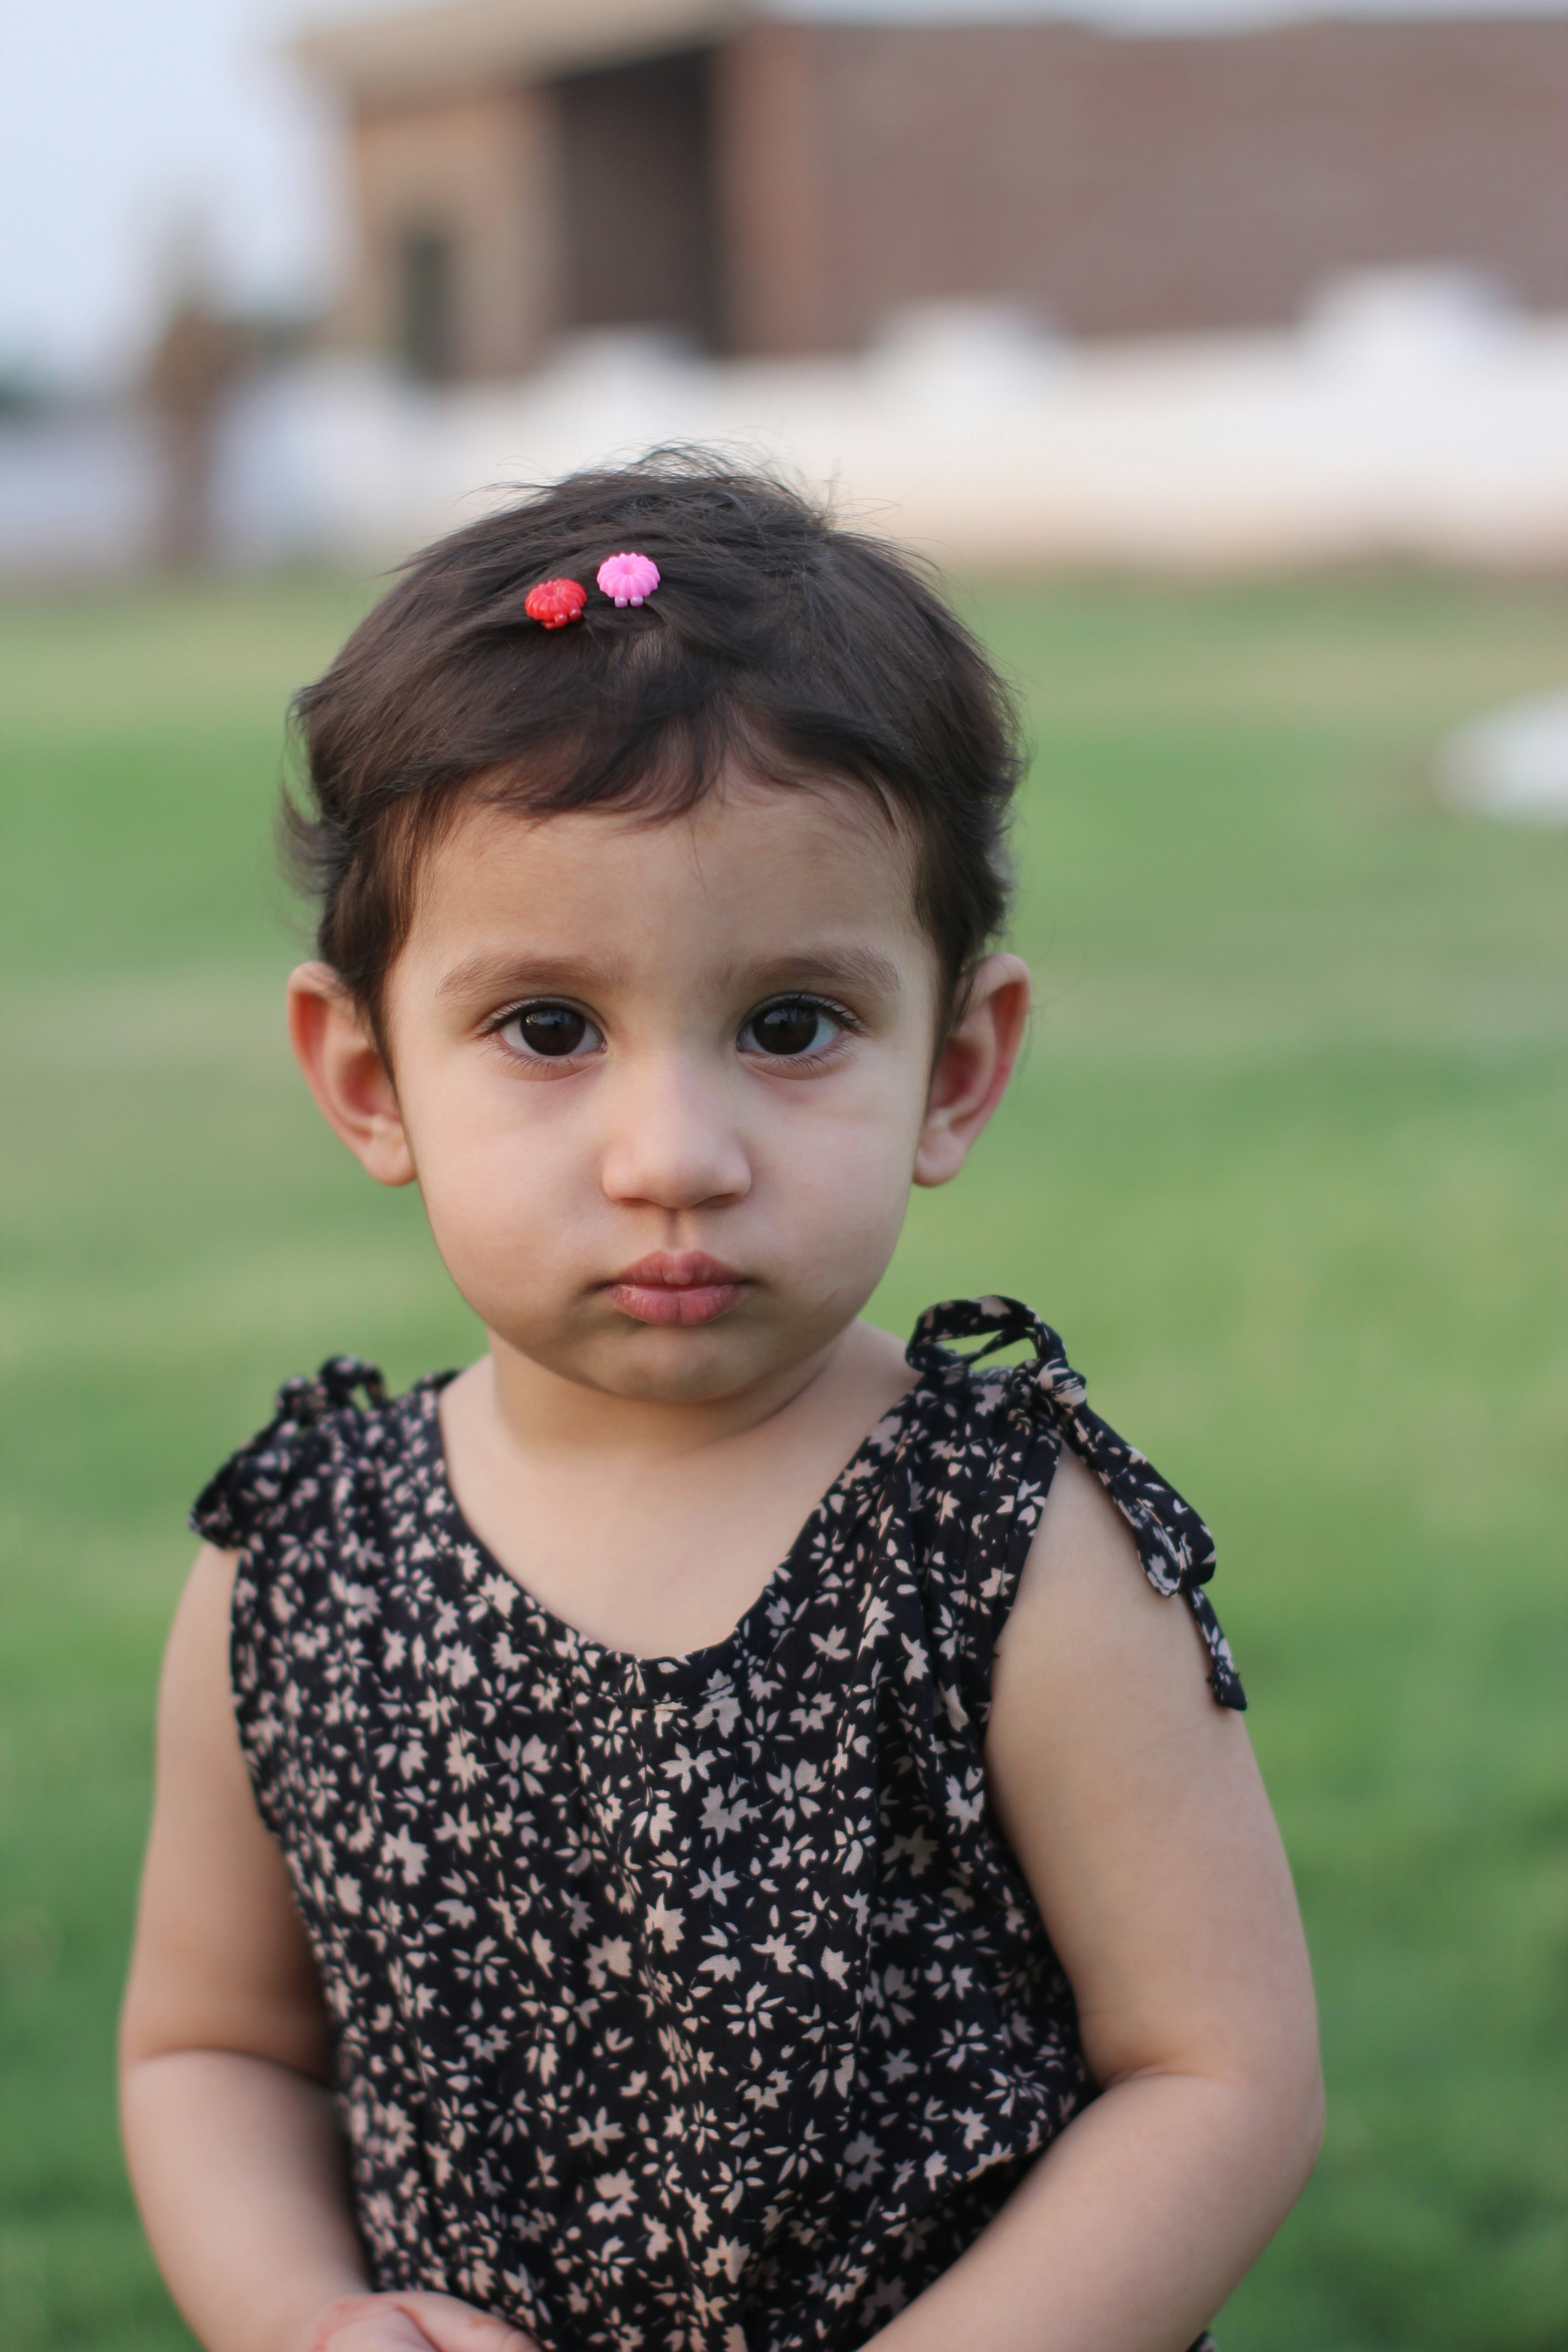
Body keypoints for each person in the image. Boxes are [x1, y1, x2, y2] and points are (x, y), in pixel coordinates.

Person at [119, 457, 1322, 2352]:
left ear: (957, 1064)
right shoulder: (294, 1568)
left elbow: (1219, 2077)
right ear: (365, 1078)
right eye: (548, 1030)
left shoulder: (1009, 1552)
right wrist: (309, 2320)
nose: (675, 1155)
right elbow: (215, 2049)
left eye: (789, 1027)